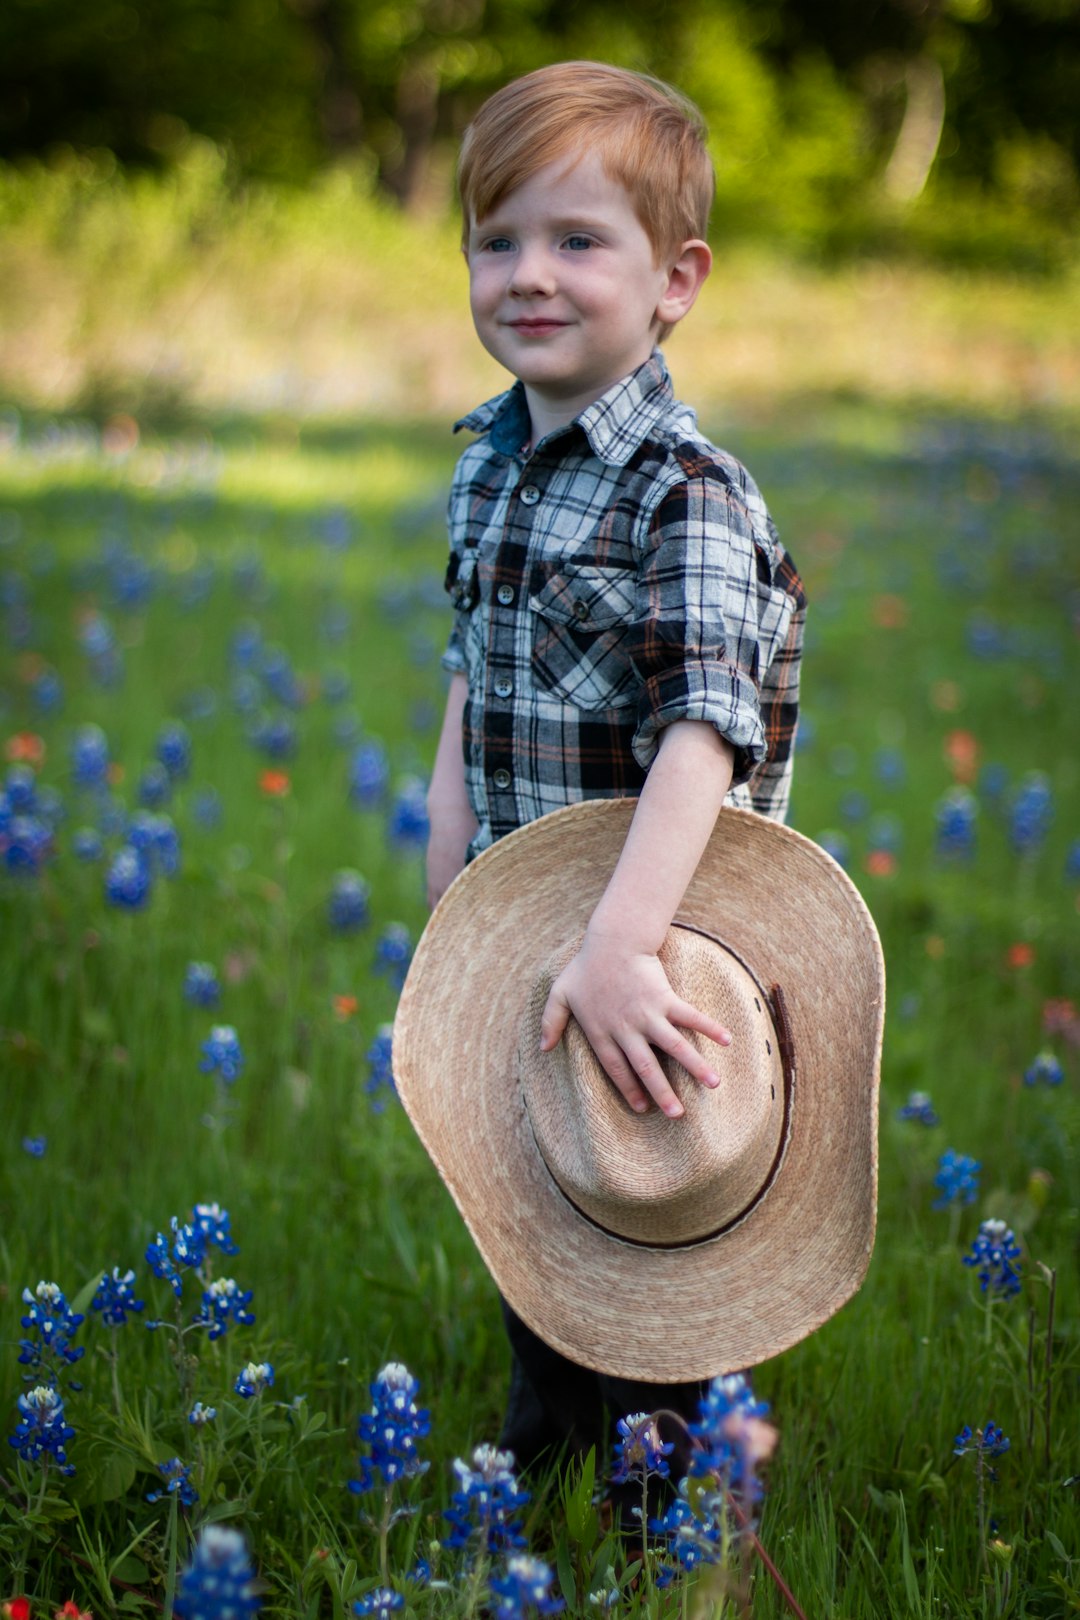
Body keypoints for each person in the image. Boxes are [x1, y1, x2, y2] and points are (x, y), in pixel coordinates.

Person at [422, 60, 807, 1478]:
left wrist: (625, 941)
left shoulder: (689, 492)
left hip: (662, 946)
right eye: (498, 237)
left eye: (578, 240)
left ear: (674, 280)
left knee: (663, 1230)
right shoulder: (484, 467)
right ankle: (540, 1459)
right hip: (527, 929)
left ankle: (695, 1502)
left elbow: (704, 730)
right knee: (540, 1198)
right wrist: (449, 863)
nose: (530, 273)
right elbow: (471, 668)